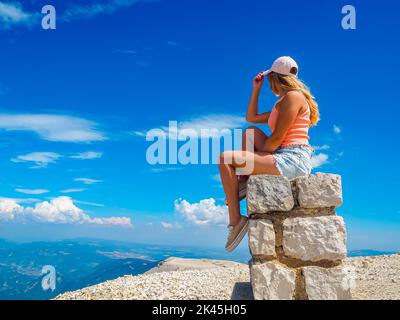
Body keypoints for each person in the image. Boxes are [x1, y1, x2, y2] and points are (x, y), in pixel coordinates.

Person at [219, 56, 319, 252]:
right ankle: (242, 183)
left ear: (273, 77)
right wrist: (255, 89)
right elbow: (251, 118)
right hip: (284, 154)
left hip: (293, 159)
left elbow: (277, 139)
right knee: (250, 132)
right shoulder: (282, 101)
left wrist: (249, 163)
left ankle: (236, 221)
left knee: (225, 159)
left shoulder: (293, 97)